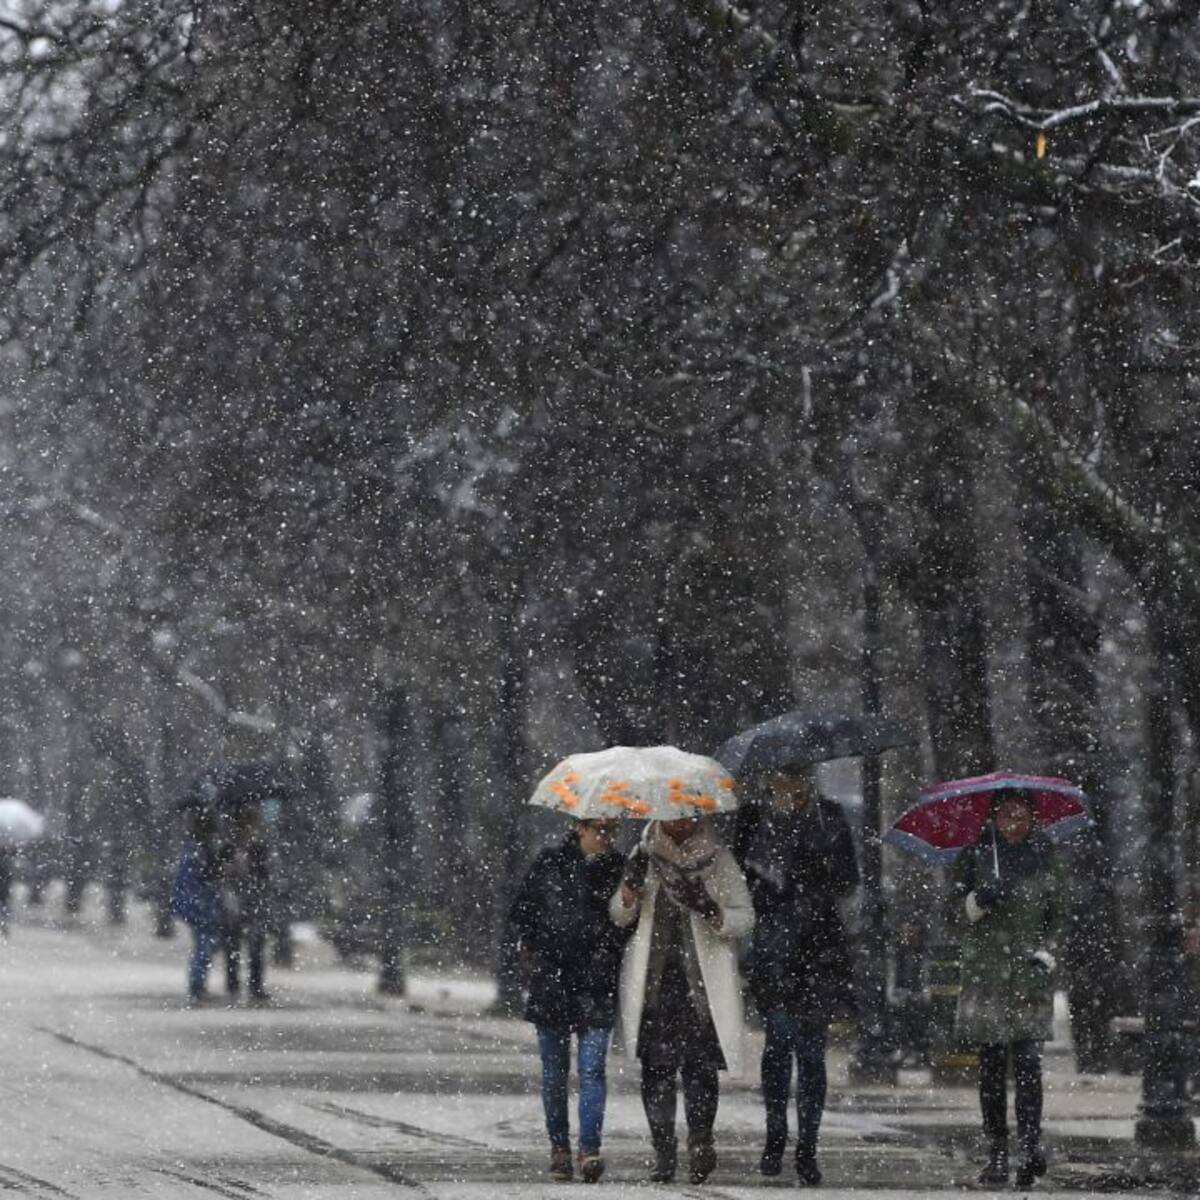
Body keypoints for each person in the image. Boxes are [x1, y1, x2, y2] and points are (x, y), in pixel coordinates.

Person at [610, 814, 753, 1185]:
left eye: (689, 814)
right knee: (657, 1071)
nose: (681, 822)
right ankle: (664, 1150)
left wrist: (710, 908)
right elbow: (620, 915)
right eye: (673, 815)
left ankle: (701, 1141)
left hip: (702, 987)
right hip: (655, 984)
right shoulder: (642, 855)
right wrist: (628, 898)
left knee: (700, 1070)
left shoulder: (719, 860)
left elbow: (744, 918)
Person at [741, 767, 859, 1186]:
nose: (790, 790)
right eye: (780, 781)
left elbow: (848, 880)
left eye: (796, 781)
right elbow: (742, 879)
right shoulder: (755, 820)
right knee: (777, 1045)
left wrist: (817, 865)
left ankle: (807, 1144)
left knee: (811, 1051)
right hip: (774, 950)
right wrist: (770, 879)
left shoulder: (829, 818)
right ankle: (776, 1133)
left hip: (818, 950)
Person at [509, 817, 627, 1184]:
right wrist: (539, 947)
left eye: (612, 830)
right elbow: (523, 913)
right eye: (600, 830)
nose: (607, 838)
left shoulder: (619, 869)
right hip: (554, 983)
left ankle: (588, 1148)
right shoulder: (549, 863)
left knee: (592, 1070)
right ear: (581, 828)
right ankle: (560, 1148)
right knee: (555, 1074)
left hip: (596, 983)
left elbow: (626, 923)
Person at [954, 789, 1061, 1188]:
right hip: (986, 977)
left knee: (1029, 1066)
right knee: (993, 1069)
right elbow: (953, 912)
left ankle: (1030, 1146)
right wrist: (977, 901)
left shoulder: (1046, 858)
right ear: (994, 818)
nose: (1014, 822)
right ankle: (997, 1151)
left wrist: (1045, 954)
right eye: (1006, 814)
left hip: (1029, 978)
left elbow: (1060, 916)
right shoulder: (976, 855)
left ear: (1032, 818)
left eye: (1021, 814)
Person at [170, 807, 225, 1004]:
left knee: (205, 943)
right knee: (205, 944)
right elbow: (201, 877)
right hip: (200, 904)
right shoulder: (199, 850)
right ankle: (197, 986)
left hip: (197, 903)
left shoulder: (194, 848)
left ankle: (198, 985)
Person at [221, 804, 273, 1003]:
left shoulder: (258, 848)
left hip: (253, 901)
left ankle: (254, 985)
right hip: (234, 903)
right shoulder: (228, 848)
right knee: (233, 946)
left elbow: (264, 875)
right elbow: (220, 874)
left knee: (255, 946)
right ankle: (234, 984)